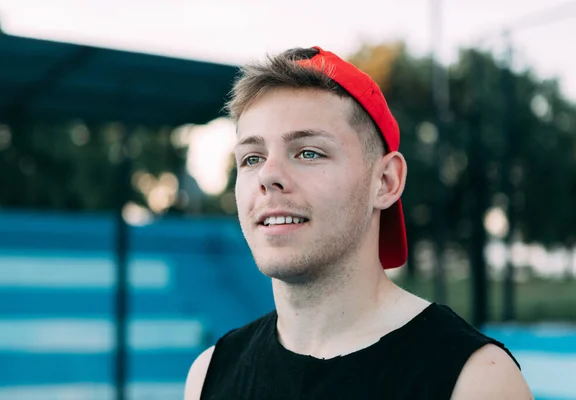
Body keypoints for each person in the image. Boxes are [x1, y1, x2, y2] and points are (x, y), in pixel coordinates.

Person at [184, 46, 532, 399]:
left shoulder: (476, 381)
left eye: (308, 152)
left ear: (385, 182)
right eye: (252, 157)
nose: (268, 175)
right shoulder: (209, 375)